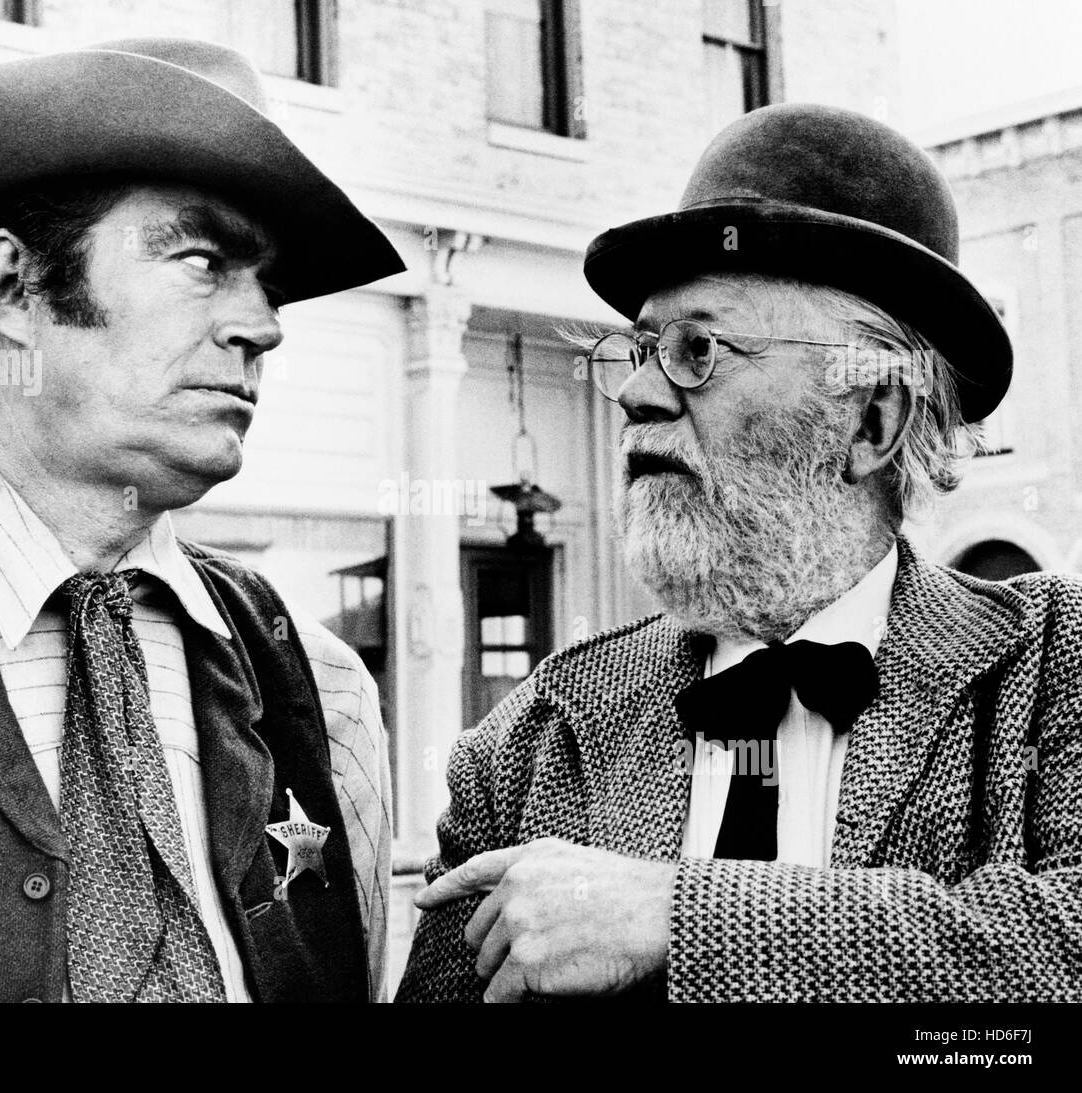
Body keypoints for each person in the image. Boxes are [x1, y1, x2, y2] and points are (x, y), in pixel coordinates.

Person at [397, 102, 1082, 1003]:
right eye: (642, 347)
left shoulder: (1050, 665)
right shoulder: (528, 742)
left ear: (873, 419)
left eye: (698, 348)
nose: (637, 391)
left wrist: (683, 919)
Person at [0, 38, 404, 1003]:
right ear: (13, 290)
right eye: (203, 260)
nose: (264, 326)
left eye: (268, 285)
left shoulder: (322, 689)